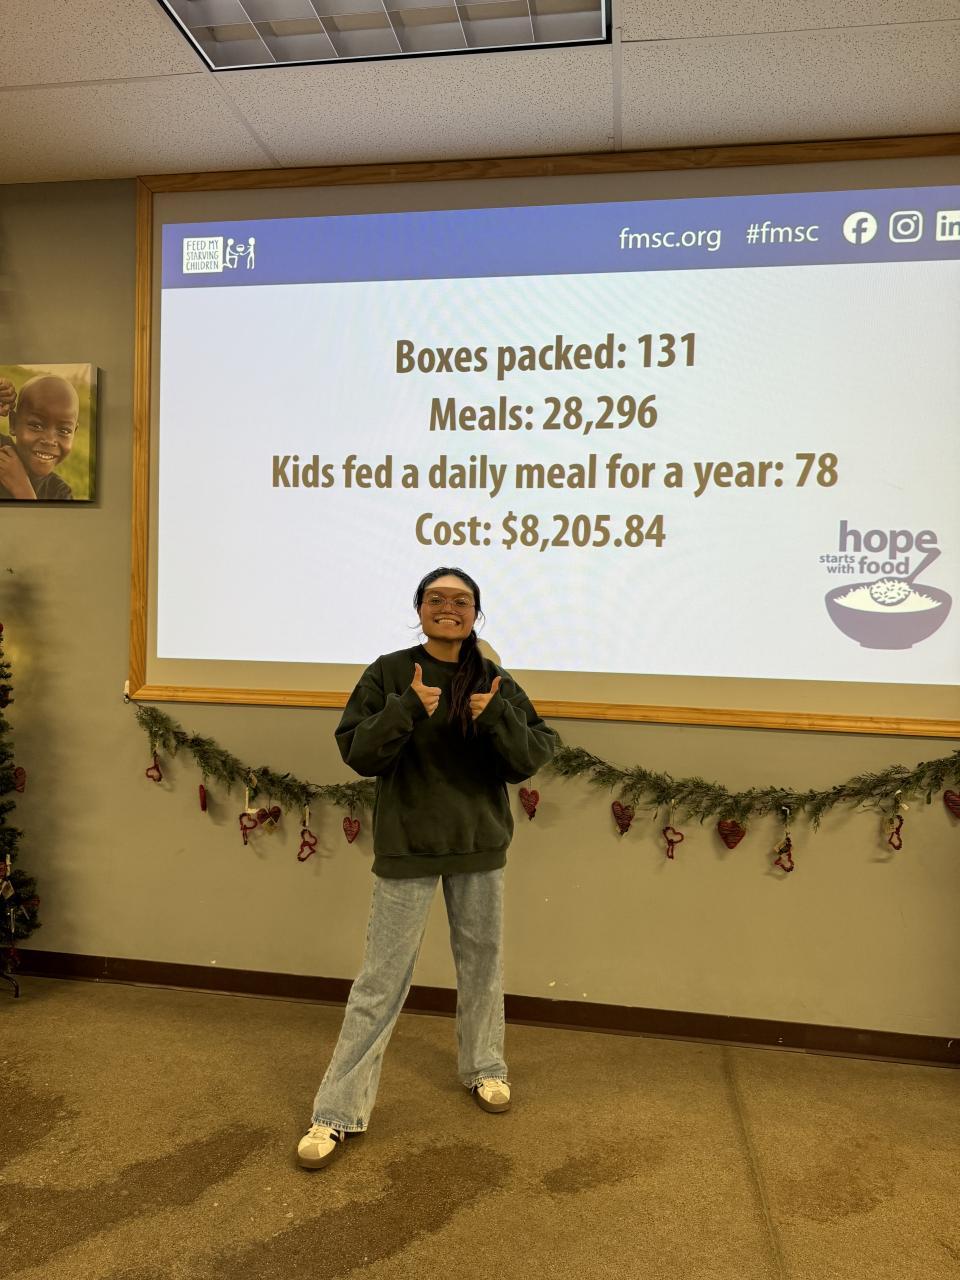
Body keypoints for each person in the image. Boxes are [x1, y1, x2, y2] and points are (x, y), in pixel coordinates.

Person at [297, 567, 557, 1170]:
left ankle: (485, 1067)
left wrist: (497, 716)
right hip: (408, 846)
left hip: (478, 844)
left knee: (482, 966)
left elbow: (531, 758)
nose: (448, 607)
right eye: (436, 598)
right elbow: (358, 752)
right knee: (380, 981)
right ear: (419, 609)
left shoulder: (492, 679)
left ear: (475, 613)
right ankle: (336, 1111)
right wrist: (406, 709)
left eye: (461, 600)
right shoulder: (390, 672)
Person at [0, 374, 80, 501]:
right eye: (36, 426)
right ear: (13, 423)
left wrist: (22, 489)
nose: (49, 440)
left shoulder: (60, 493)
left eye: (64, 430)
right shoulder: (2, 450)